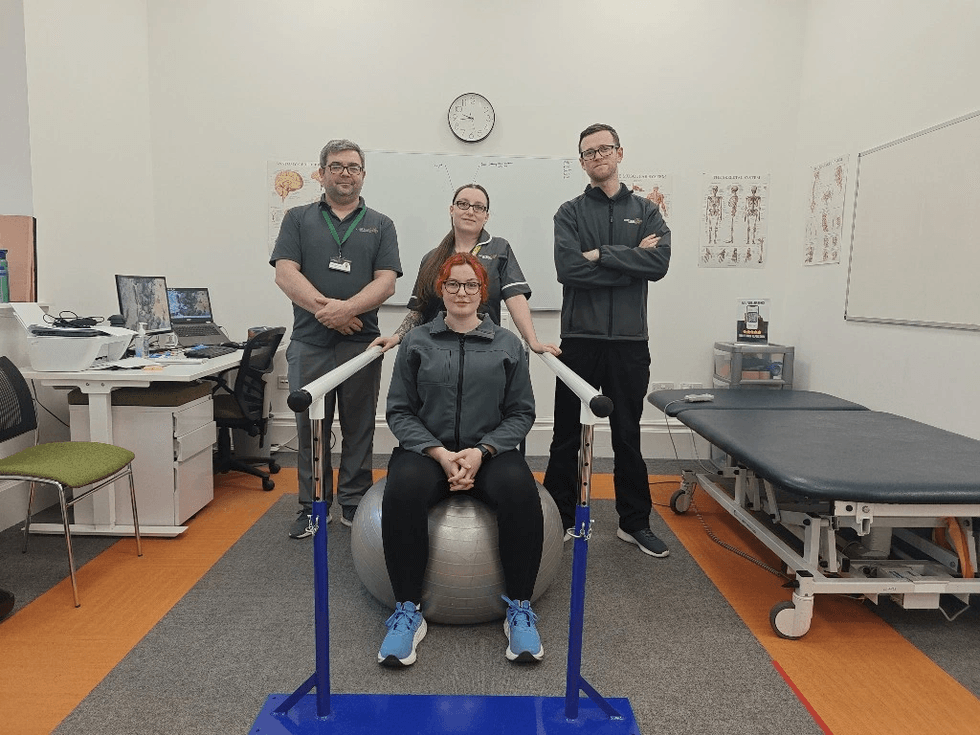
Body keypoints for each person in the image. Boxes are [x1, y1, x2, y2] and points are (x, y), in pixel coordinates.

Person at [378, 252, 544, 667]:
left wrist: (482, 451)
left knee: (521, 492)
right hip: (427, 449)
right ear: (442, 289)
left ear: (483, 292)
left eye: (471, 285)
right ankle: (407, 612)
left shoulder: (507, 344)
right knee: (401, 492)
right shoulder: (417, 342)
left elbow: (522, 412)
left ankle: (520, 609)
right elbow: (399, 410)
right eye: (453, 284)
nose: (462, 292)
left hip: (488, 450)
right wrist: (437, 451)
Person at [543, 123, 672, 558]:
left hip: (630, 342)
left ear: (619, 153)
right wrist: (631, 257)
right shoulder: (570, 212)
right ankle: (557, 518)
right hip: (579, 339)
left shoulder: (648, 211)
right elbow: (569, 270)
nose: (598, 157)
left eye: (604, 149)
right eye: (589, 152)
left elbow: (658, 264)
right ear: (582, 162)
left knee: (627, 435)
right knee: (565, 435)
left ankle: (633, 523)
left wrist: (601, 253)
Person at [270, 139, 402, 538]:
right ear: (322, 172)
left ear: (363, 174)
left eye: (353, 167)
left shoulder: (381, 223)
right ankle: (313, 506)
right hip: (309, 342)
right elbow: (285, 273)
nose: (346, 173)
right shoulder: (297, 218)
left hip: (361, 345)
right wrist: (328, 311)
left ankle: (354, 502)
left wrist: (348, 311)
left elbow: (387, 282)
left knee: (359, 426)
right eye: (337, 166)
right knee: (312, 426)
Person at [371, 183, 559, 356]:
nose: (470, 211)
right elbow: (418, 311)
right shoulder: (431, 259)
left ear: (486, 216)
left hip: (484, 349)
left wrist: (533, 341)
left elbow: (515, 298)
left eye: (479, 207)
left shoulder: (500, 250)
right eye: (463, 204)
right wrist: (395, 338)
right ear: (452, 210)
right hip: (434, 351)